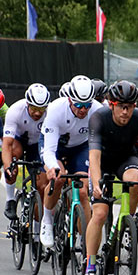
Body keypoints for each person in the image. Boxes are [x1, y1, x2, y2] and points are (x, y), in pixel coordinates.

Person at [83, 80, 138, 275]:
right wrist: (98, 182)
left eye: (130, 106)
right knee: (99, 213)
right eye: (122, 106)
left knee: (135, 178)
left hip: (125, 159)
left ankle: (128, 221)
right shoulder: (98, 118)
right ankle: (90, 268)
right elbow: (94, 156)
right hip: (102, 161)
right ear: (111, 104)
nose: (126, 112)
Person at [39, 75, 104, 248]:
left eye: (87, 105)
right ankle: (47, 221)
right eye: (79, 105)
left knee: (83, 190)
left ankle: (87, 241)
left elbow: (100, 145)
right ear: (69, 100)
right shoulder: (56, 109)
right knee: (58, 178)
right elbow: (49, 151)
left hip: (80, 147)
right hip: (56, 146)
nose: (83, 110)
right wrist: (53, 167)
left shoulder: (98, 110)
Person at [2, 83, 51, 220]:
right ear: (27, 104)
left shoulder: (51, 112)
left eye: (41, 109)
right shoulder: (15, 110)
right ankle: (10, 199)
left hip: (39, 145)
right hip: (19, 141)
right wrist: (8, 167)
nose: (37, 113)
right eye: (34, 108)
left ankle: (36, 225)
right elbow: (7, 144)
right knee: (12, 158)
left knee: (43, 185)